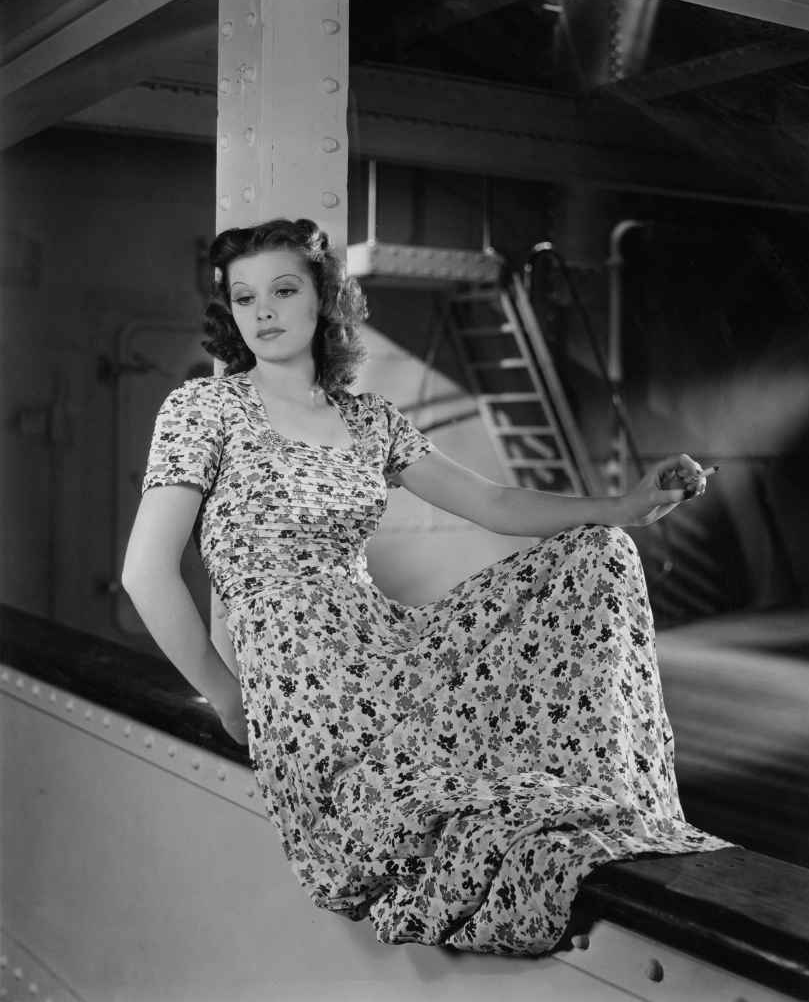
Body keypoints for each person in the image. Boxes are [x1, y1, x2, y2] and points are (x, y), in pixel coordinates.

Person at [122, 217, 729, 956]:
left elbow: (495, 503)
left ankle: (623, 800)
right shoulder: (203, 409)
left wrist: (623, 505)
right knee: (450, 807)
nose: (265, 312)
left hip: (387, 643)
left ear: (323, 300)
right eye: (245, 298)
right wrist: (226, 693)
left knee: (598, 555)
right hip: (304, 682)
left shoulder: (369, 419)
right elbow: (146, 571)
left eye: (283, 290)